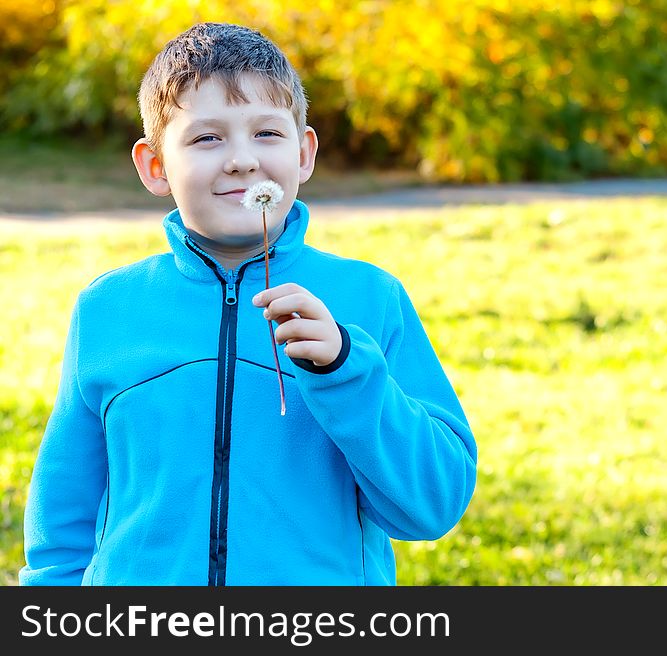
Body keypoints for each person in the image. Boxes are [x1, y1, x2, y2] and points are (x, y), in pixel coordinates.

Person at [20, 22, 477, 586]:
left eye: (267, 133)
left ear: (304, 155)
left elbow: (431, 504)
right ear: (155, 166)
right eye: (207, 138)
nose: (242, 161)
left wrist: (344, 370)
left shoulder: (369, 299)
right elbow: (62, 518)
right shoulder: (107, 310)